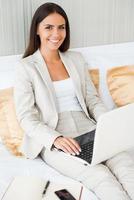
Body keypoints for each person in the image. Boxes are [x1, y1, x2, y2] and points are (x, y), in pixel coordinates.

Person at [14, 2, 134, 200]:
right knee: (100, 176)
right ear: (36, 29)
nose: (56, 34)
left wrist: (108, 125)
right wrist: (55, 139)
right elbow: (26, 117)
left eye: (61, 27)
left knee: (125, 165)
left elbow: (92, 100)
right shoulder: (26, 67)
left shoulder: (76, 59)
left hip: (89, 127)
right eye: (49, 27)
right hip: (56, 135)